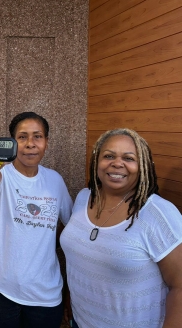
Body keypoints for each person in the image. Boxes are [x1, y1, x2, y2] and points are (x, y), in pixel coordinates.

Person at [60, 128, 182, 328]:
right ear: (96, 162)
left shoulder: (158, 214)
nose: (117, 163)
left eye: (129, 158)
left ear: (143, 166)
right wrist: (70, 296)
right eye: (108, 156)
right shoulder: (84, 197)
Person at [0, 112, 73, 328]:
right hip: (0, 291)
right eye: (22, 137)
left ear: (46, 142)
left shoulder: (55, 180)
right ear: (12, 142)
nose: (30, 144)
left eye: (37, 136)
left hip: (45, 295)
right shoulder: (2, 175)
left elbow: (73, 225)